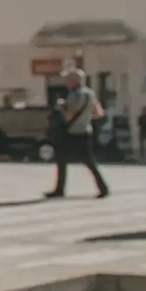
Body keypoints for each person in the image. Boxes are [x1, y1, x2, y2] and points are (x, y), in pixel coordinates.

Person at [48, 68, 109, 199]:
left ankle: (59, 189)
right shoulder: (90, 93)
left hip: (72, 133)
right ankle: (103, 188)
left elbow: (69, 116)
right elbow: (98, 113)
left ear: (73, 81)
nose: (65, 82)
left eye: (67, 79)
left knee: (62, 160)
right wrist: (85, 118)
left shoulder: (74, 95)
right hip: (85, 131)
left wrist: (61, 107)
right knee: (90, 162)